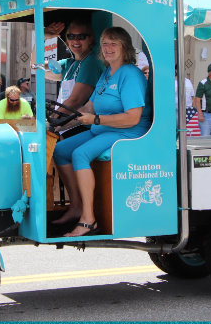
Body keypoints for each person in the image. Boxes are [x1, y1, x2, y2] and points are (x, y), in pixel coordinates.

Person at [51, 27, 150, 236]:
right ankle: (76, 206)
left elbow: (133, 117)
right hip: (103, 129)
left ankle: (88, 220)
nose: (108, 48)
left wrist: (96, 119)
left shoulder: (130, 74)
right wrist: (58, 124)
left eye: (114, 43)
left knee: (80, 154)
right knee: (60, 150)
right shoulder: (107, 73)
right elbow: (89, 107)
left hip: (126, 131)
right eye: (105, 43)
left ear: (125, 47)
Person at [52, 20, 104, 134]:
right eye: (71, 36)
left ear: (90, 39)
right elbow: (36, 67)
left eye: (81, 36)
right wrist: (44, 37)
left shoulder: (91, 62)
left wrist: (52, 120)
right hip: (63, 123)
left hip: (82, 127)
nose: (75, 40)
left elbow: (75, 101)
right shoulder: (69, 63)